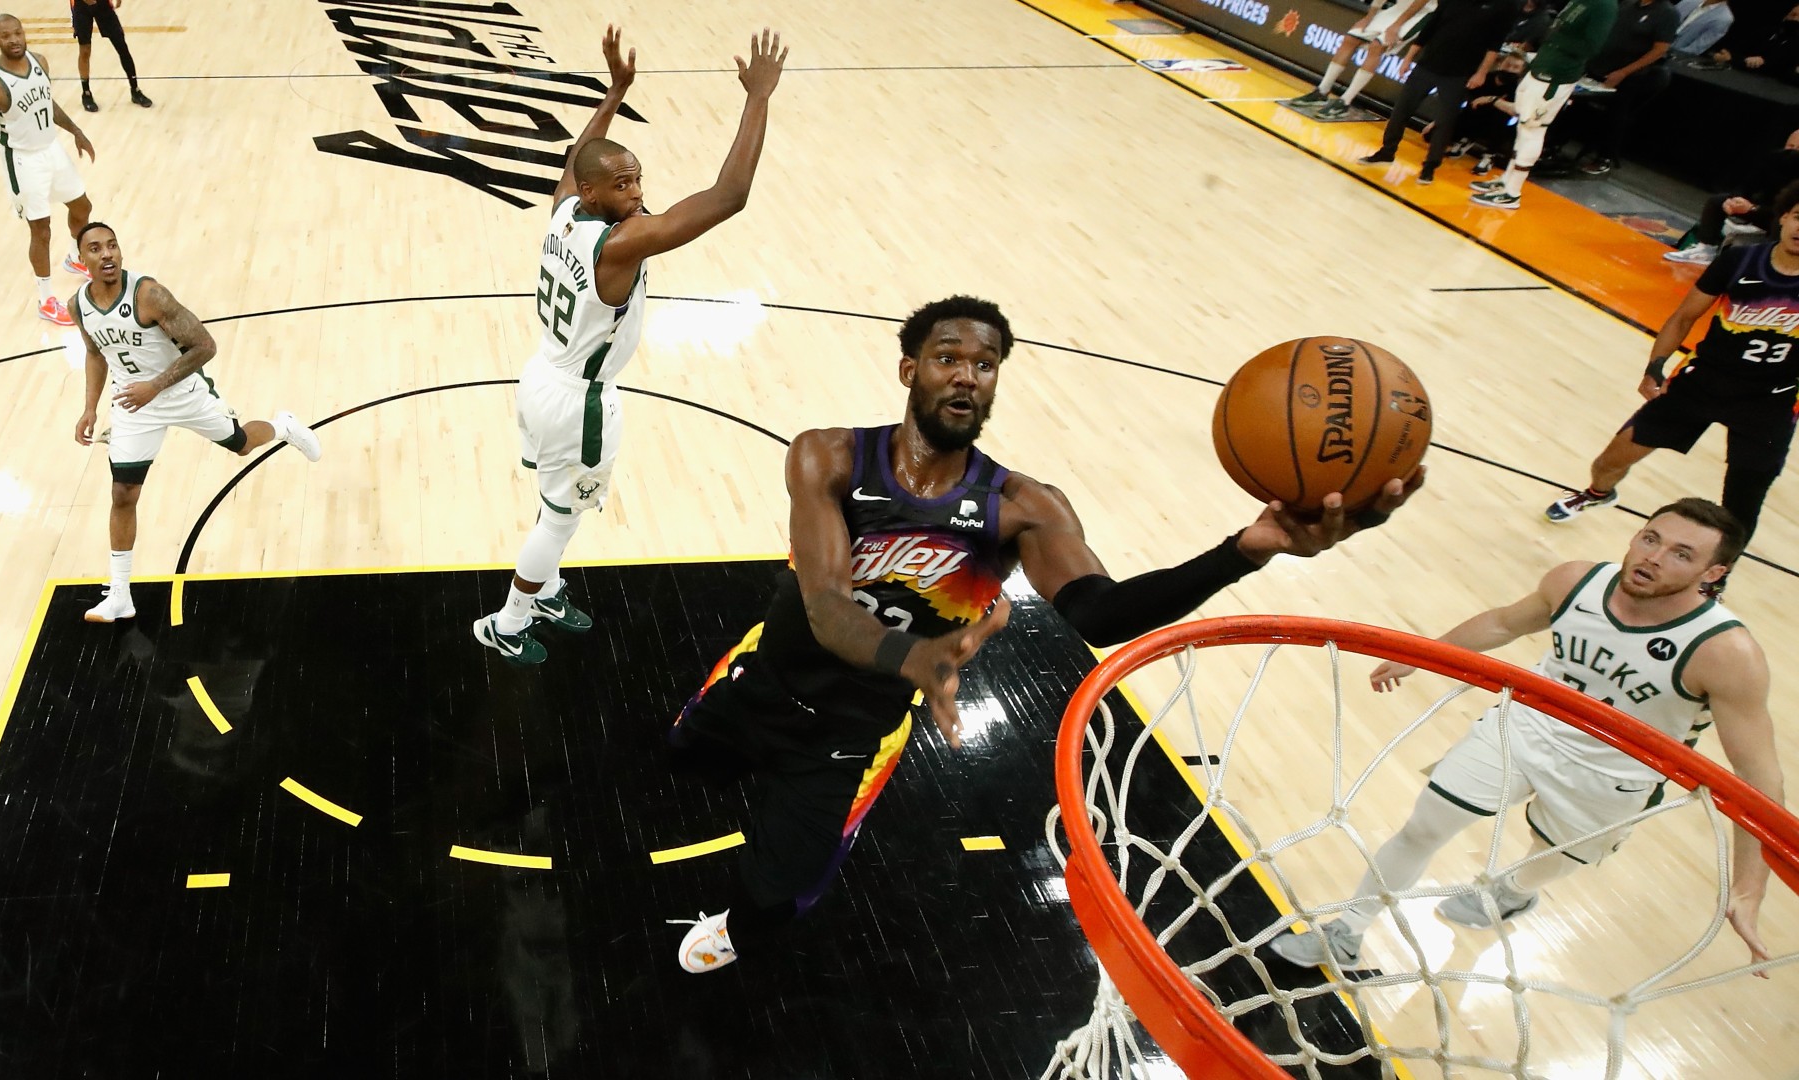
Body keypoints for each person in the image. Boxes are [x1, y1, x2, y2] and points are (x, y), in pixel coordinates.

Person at [662, 296, 1423, 973]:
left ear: (996, 383)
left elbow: (1103, 616)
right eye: (948, 357)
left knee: (779, 895)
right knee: (685, 759)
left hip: (850, 737)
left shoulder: (1025, 507)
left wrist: (1241, 554)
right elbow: (826, 606)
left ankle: (737, 929)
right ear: (909, 370)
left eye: (985, 364)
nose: (967, 375)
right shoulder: (826, 454)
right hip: (761, 679)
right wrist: (919, 657)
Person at [1270, 500, 1783, 976]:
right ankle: (1347, 930)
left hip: (1613, 777)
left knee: (1546, 860)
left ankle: (1515, 890)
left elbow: (1757, 778)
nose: (1653, 557)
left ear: (1713, 574)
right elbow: (1502, 623)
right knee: (1424, 827)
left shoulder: (1726, 653)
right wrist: (1420, 655)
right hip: (1525, 730)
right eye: (1650, 538)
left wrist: (1749, 887)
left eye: (1681, 554)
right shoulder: (1576, 582)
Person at [472, 27, 789, 665]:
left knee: (553, 501)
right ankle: (507, 621)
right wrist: (758, 97)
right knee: (560, 520)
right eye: (621, 186)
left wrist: (616, 90)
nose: (637, 196)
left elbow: (576, 157)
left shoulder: (565, 208)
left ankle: (549, 587)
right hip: (580, 402)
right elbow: (730, 197)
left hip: (543, 376)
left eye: (638, 181)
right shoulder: (618, 246)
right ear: (594, 193)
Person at [70, 222, 321, 622]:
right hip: (135, 405)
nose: (107, 255)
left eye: (113, 246)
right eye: (96, 249)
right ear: (81, 258)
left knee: (240, 444)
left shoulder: (149, 295)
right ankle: (120, 594)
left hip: (182, 392)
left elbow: (205, 346)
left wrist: (155, 386)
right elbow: (95, 354)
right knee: (122, 494)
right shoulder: (78, 306)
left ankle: (284, 426)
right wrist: (89, 407)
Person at [1545, 181, 1799, 557]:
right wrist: (1656, 366)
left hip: (1771, 401)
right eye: (1798, 217)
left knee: (1743, 503)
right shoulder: (1739, 260)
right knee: (1611, 459)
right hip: (1703, 381)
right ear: (1783, 217)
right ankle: (1598, 493)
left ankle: (1716, 577)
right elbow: (1682, 318)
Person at [0, 13, 97, 326]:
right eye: (6, 36)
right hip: (22, 160)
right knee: (41, 229)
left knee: (82, 206)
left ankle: (76, 260)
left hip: (51, 149)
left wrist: (76, 130)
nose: (14, 40)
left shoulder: (40, 61)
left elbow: (46, 103)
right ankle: (47, 299)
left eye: (17, 33)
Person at [1470, 0, 1619, 209]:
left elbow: (1591, 46)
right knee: (1523, 123)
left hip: (1556, 75)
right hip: (1540, 67)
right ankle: (1506, 180)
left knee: (1533, 129)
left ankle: (1513, 192)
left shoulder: (1605, 6)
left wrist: (1557, 39)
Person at [1358, 0, 1520, 183]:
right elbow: (1431, 26)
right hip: (1427, 65)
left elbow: (1495, 44)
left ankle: (1429, 167)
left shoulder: (1505, 5)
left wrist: (1482, 72)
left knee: (1445, 122)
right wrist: (1409, 58)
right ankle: (1386, 152)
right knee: (1401, 111)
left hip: (1460, 73)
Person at [1558, 0, 1682, 175]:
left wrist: (1624, 72)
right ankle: (1556, 143)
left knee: (1616, 112)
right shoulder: (1627, 4)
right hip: (1601, 65)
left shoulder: (1667, 13)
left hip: (1632, 74)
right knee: (1575, 102)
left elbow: (1660, 50)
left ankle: (1604, 157)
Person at [1667, 126, 1799, 264]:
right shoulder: (1774, 161)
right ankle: (1705, 249)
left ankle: (1767, 263)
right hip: (1759, 210)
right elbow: (1747, 184)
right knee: (1717, 201)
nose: (1793, 152)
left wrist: (1753, 209)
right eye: (1791, 146)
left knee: (1782, 221)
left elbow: (1786, 210)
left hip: (1780, 215)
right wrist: (1736, 200)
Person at [1288, 0, 1439, 118]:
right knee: (1350, 39)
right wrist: (1368, 17)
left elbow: (1421, 1)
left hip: (1422, 13)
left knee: (1376, 46)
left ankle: (1345, 101)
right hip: (1398, 8)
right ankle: (1322, 91)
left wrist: (1395, 26)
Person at [70, 0, 153, 112]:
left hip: (102, 4)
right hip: (81, 6)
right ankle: (86, 93)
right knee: (85, 50)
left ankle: (135, 90)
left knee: (121, 45)